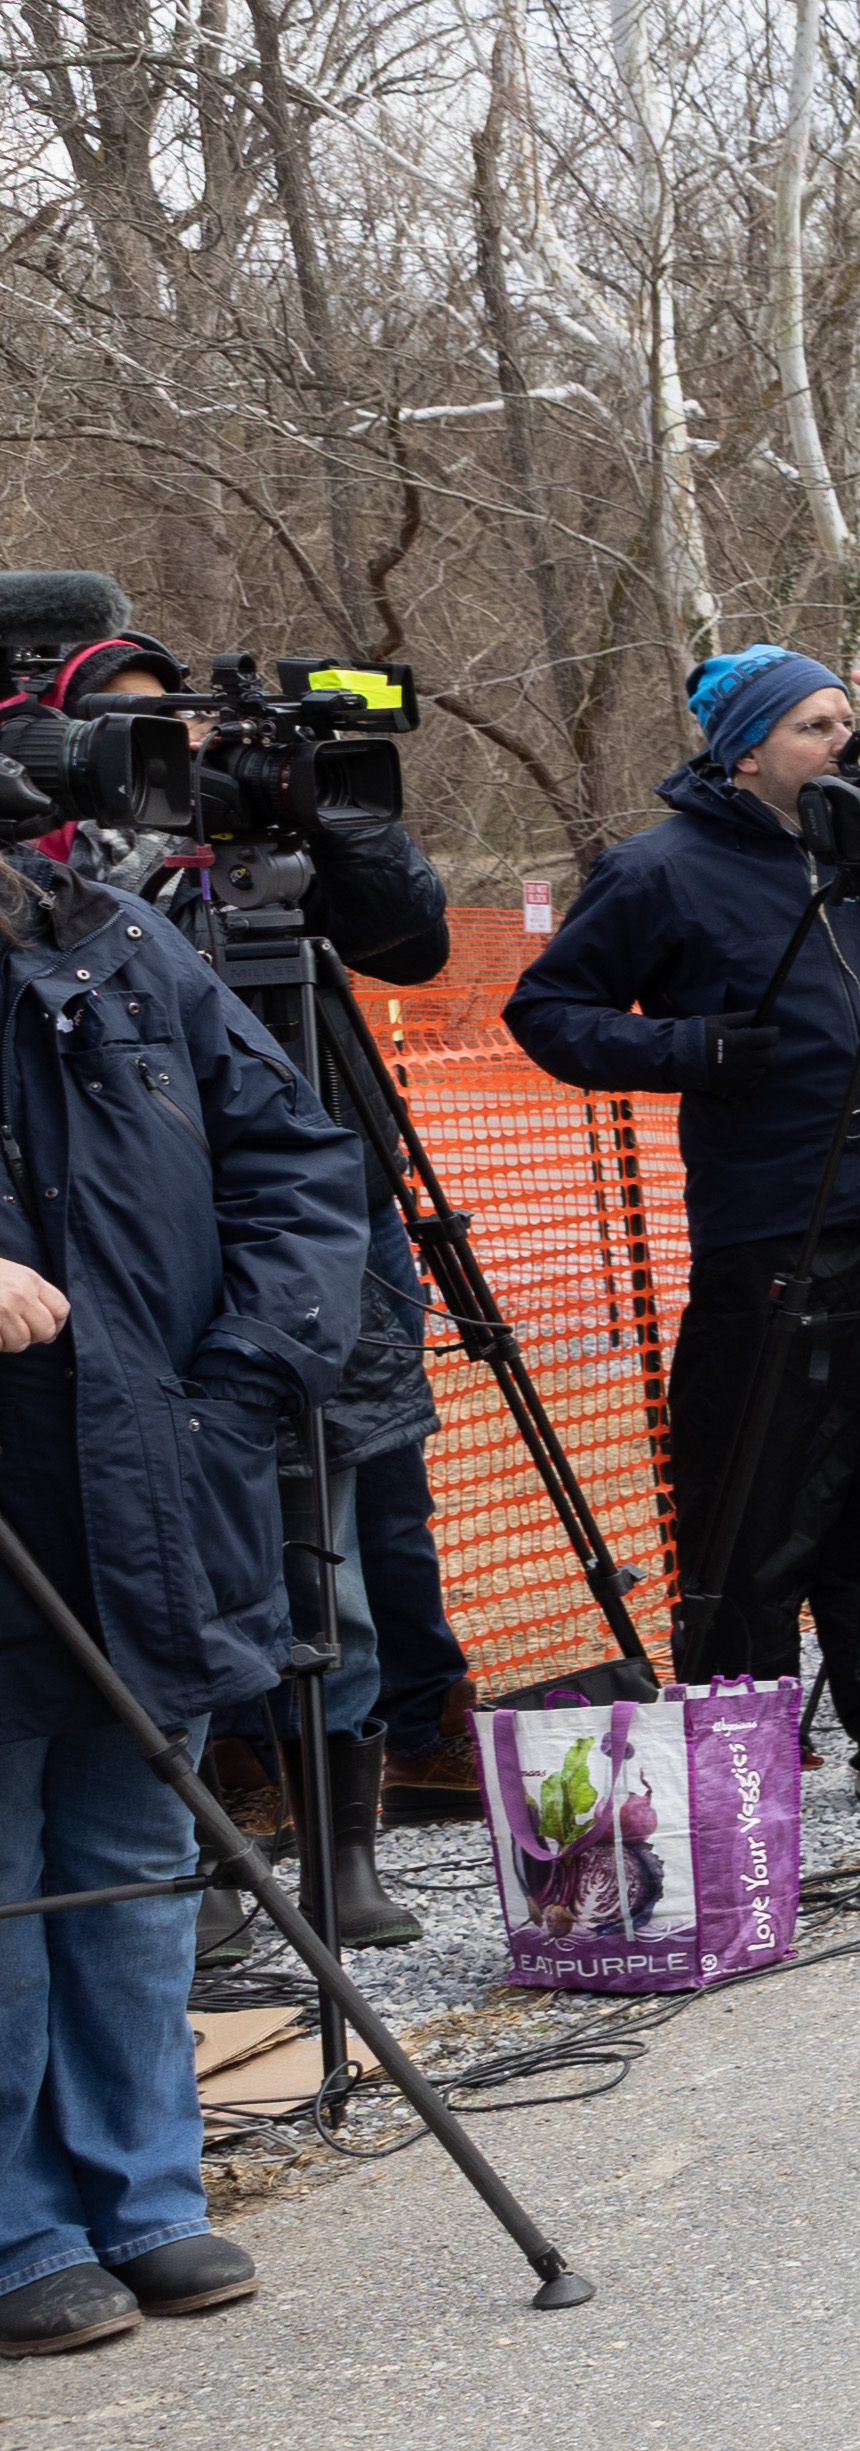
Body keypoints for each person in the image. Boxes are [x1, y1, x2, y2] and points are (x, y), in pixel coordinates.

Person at [510, 643, 860, 1812]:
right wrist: (689, 1050)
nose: (842, 745)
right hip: (779, 1227)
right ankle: (742, 1754)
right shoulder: (660, 870)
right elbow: (548, 1011)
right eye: (815, 728)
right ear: (746, 752)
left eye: (843, 721)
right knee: (760, 1502)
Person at [18, 616, 465, 1952]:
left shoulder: (256, 852)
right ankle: (221, 1850)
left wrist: (335, 809)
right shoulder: (68, 896)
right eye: (146, 730)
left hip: (306, 1249)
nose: (185, 750)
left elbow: (410, 946)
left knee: (348, 1547)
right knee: (189, 1560)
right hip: (141, 1264)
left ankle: (343, 1846)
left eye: (192, 721)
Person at [0, 817, 360, 2350]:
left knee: (139, 1856)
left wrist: (239, 1378)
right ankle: (19, 2224)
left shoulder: (127, 948)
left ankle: (146, 2188)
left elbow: (300, 1165)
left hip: (159, 1475)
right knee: (6, 1883)